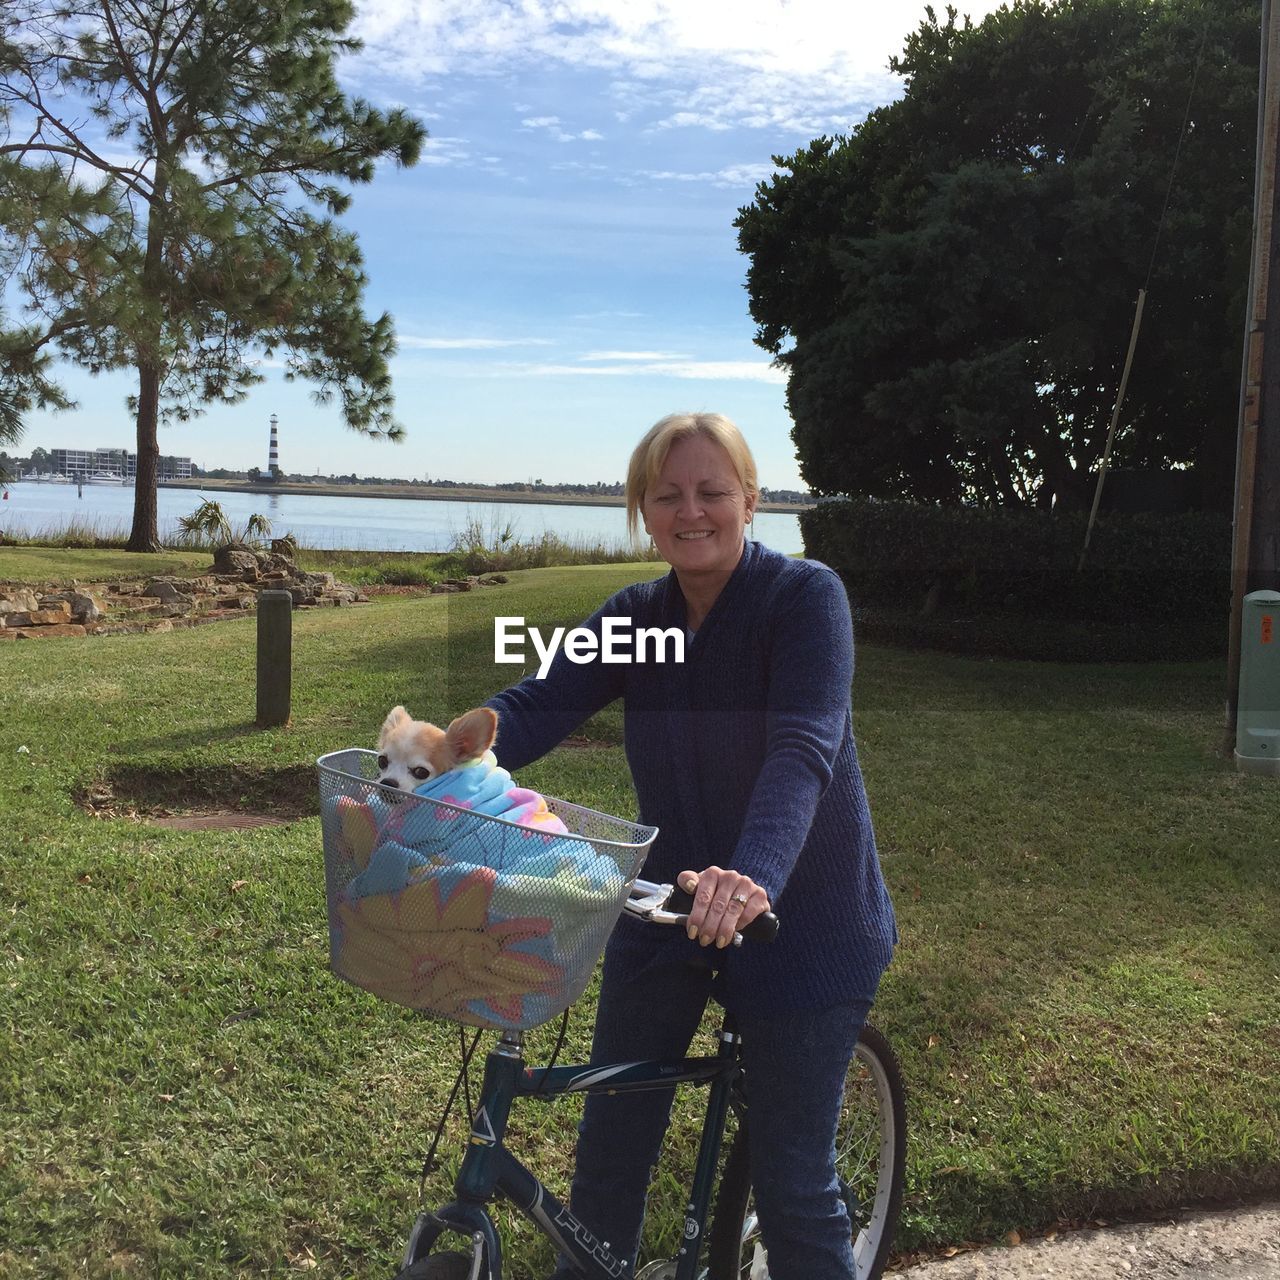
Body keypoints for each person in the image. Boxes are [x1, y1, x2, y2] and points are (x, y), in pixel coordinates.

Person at [484, 412, 896, 1280]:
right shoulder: (640, 617)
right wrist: (441, 760)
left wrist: (754, 879)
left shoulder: (804, 600)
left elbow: (802, 749)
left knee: (792, 1193)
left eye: (713, 491)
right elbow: (534, 704)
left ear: (751, 500)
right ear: (642, 510)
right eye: (667, 495)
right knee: (605, 1168)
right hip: (670, 906)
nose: (691, 510)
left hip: (802, 921)